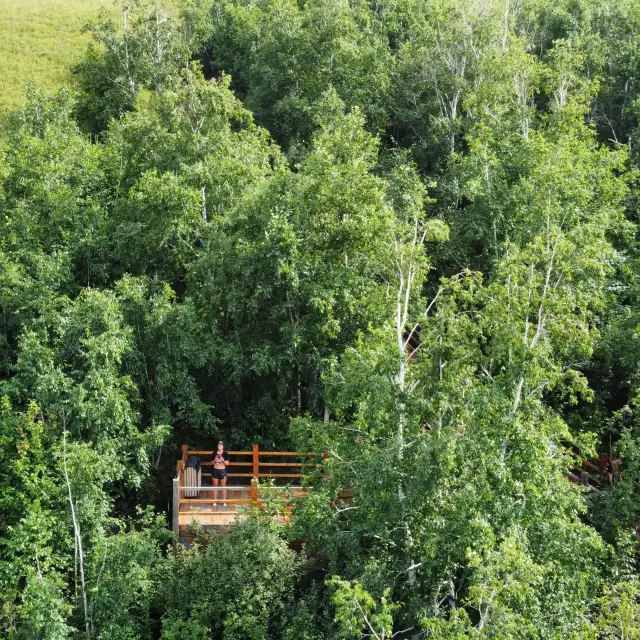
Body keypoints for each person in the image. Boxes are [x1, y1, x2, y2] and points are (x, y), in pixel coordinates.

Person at [212, 441, 230, 508]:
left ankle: (224, 501)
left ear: (223, 446)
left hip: (222, 470)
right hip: (215, 470)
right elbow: (211, 462)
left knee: (223, 486)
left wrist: (223, 460)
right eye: (219, 445)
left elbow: (227, 463)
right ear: (217, 446)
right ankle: (214, 501)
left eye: (221, 445)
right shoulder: (214, 453)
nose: (220, 446)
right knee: (215, 486)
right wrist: (215, 459)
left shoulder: (225, 454)